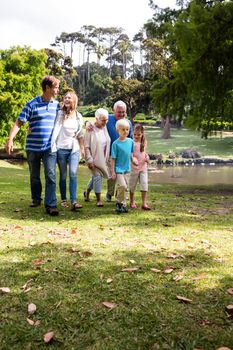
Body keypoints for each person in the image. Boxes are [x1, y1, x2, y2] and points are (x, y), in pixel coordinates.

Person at [5, 75, 60, 216]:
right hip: (32, 148)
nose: (57, 90)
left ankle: (51, 205)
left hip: (49, 148)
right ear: (47, 88)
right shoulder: (32, 104)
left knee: (51, 175)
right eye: (55, 87)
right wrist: (10, 139)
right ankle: (36, 198)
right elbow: (19, 122)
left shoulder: (57, 105)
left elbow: (69, 116)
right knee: (34, 176)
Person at [86, 100, 133, 202]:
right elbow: (97, 121)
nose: (121, 114)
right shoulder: (108, 119)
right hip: (108, 154)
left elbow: (131, 138)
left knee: (122, 176)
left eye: (123, 112)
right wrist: (87, 123)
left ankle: (119, 193)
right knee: (109, 175)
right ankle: (109, 193)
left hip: (123, 155)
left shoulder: (127, 123)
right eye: (119, 112)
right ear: (113, 110)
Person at [51, 91, 84, 211]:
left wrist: (82, 149)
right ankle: (64, 199)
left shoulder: (78, 116)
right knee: (63, 176)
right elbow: (54, 129)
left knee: (73, 174)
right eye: (65, 97)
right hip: (61, 149)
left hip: (74, 149)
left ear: (74, 100)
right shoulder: (60, 114)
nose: (66, 99)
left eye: (69, 97)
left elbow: (80, 134)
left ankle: (74, 200)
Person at [83, 108, 111, 207]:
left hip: (103, 159)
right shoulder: (90, 129)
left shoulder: (105, 127)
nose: (105, 122)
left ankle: (86, 193)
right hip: (93, 159)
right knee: (97, 177)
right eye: (103, 120)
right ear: (96, 118)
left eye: (106, 120)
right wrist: (89, 160)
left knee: (95, 177)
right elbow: (86, 147)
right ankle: (99, 200)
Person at [111, 119, 136, 213]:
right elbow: (113, 159)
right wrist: (113, 171)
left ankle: (123, 205)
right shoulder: (115, 144)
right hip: (118, 169)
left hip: (127, 169)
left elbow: (131, 154)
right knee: (122, 185)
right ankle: (118, 201)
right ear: (118, 130)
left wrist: (133, 159)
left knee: (125, 188)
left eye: (127, 129)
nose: (125, 131)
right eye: (123, 129)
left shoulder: (130, 141)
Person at [129, 124, 151, 210]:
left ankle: (144, 203)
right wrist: (133, 159)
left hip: (143, 167)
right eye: (135, 134)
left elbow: (144, 153)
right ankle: (132, 201)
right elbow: (130, 155)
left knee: (144, 184)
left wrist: (147, 157)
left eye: (138, 134)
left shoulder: (144, 142)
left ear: (142, 134)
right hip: (134, 167)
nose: (136, 136)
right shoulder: (131, 142)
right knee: (132, 185)